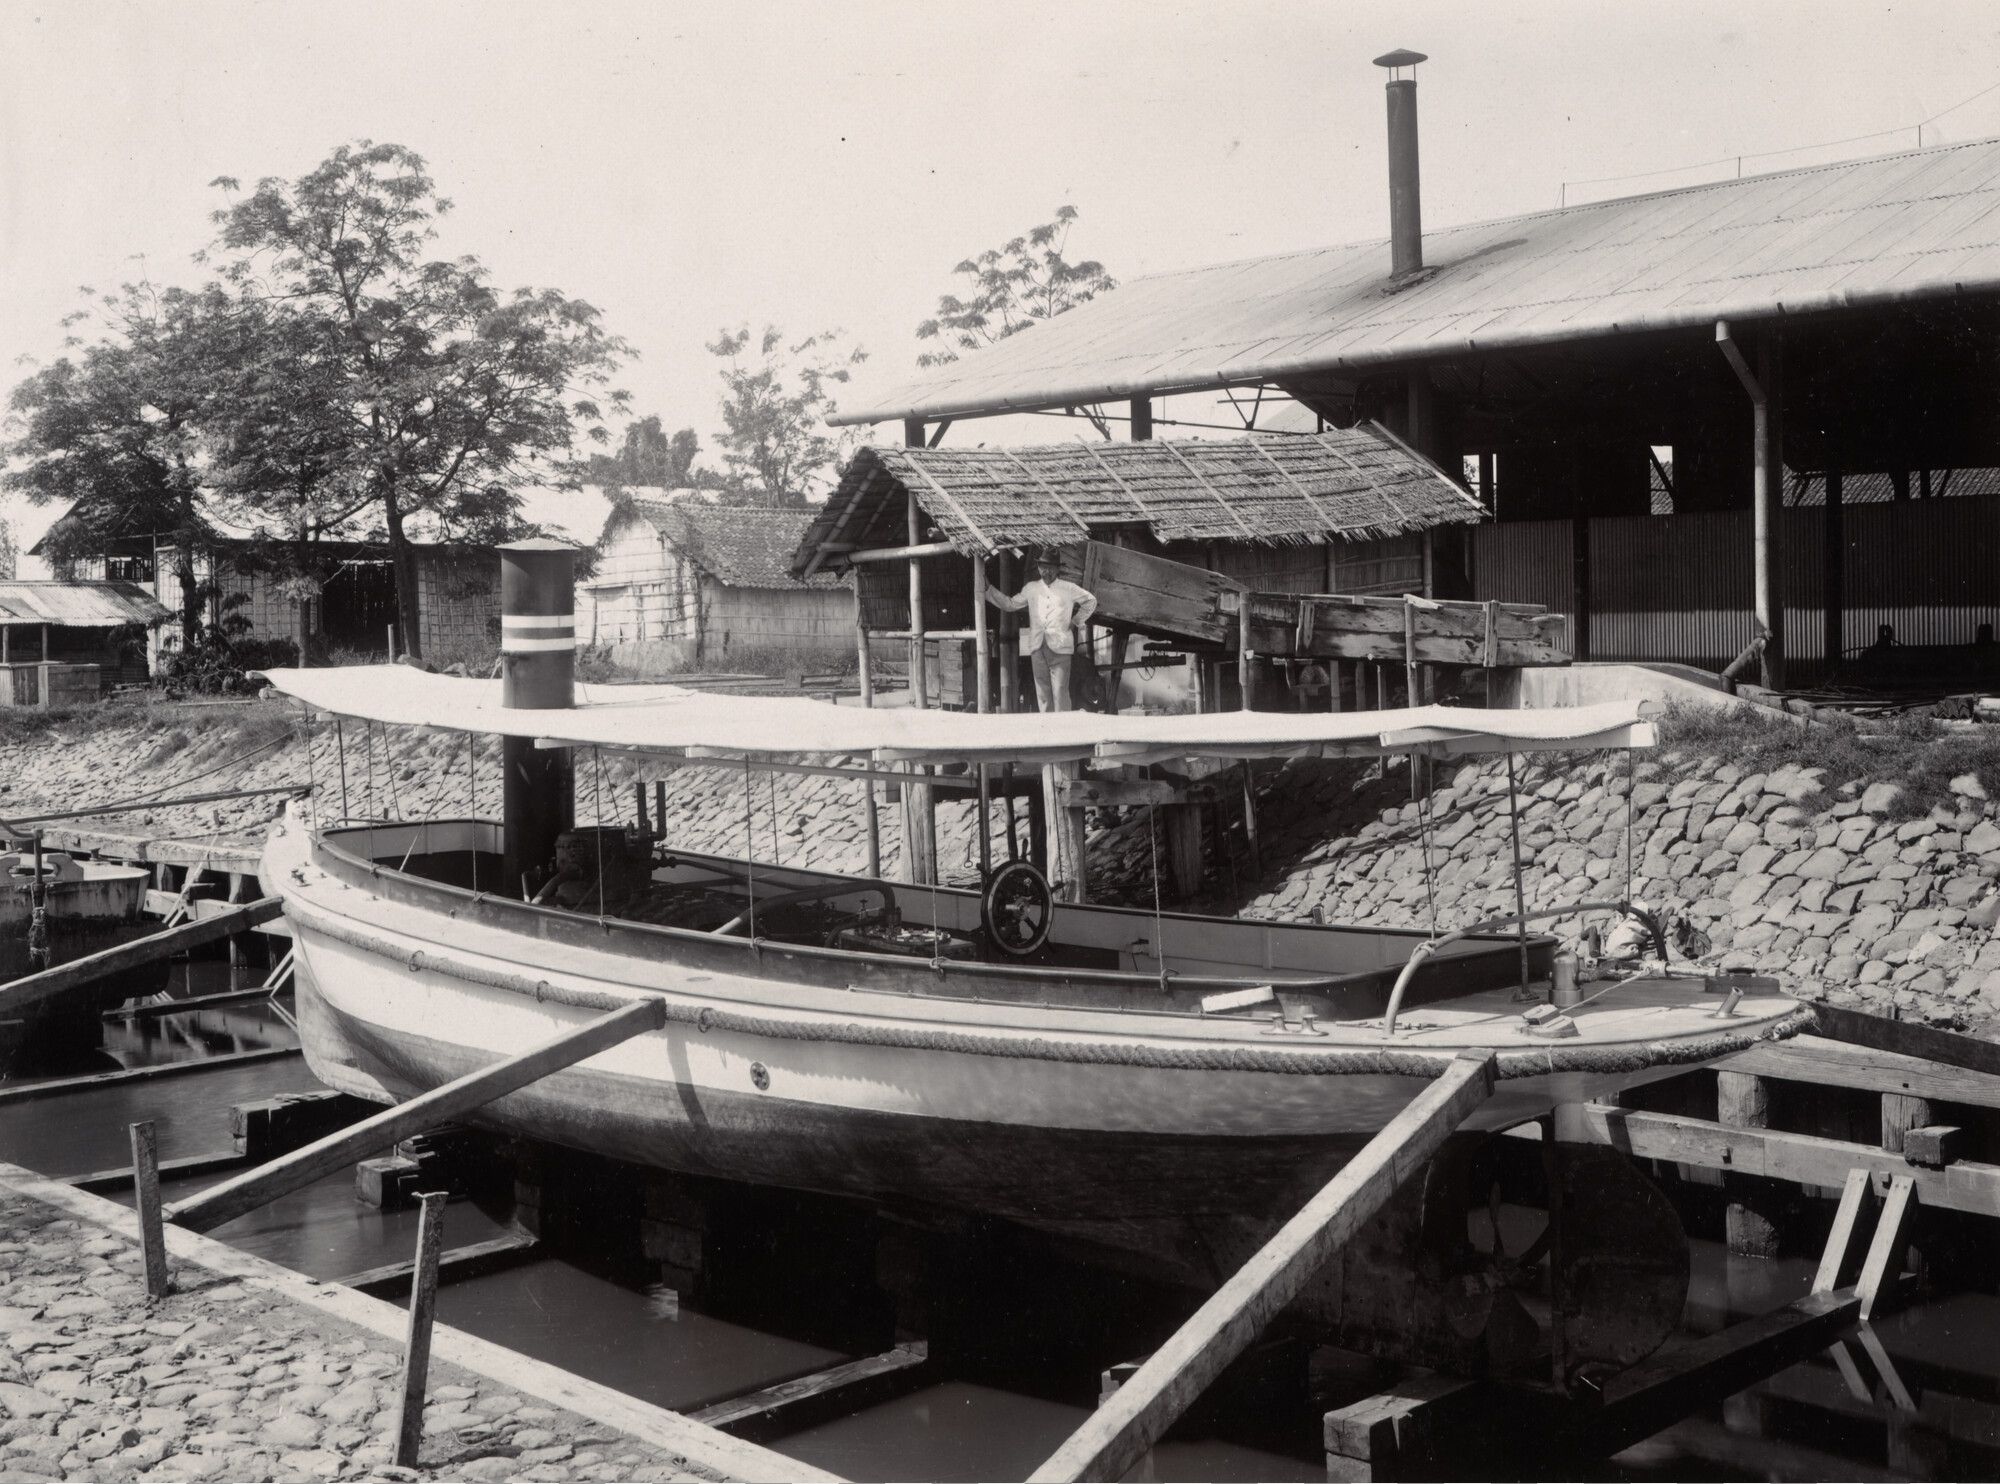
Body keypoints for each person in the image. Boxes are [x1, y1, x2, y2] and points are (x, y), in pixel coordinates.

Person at [985, 551, 1097, 712]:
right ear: (1038, 568)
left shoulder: (1069, 588)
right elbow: (1010, 604)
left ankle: (1063, 733)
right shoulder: (1031, 588)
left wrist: (1075, 622)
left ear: (1058, 569)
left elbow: (1091, 601)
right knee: (1043, 694)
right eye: (1043, 567)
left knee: (1060, 692)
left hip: (1060, 647)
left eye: (1051, 568)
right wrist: (989, 590)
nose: (1047, 572)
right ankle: (1048, 732)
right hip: (1037, 648)